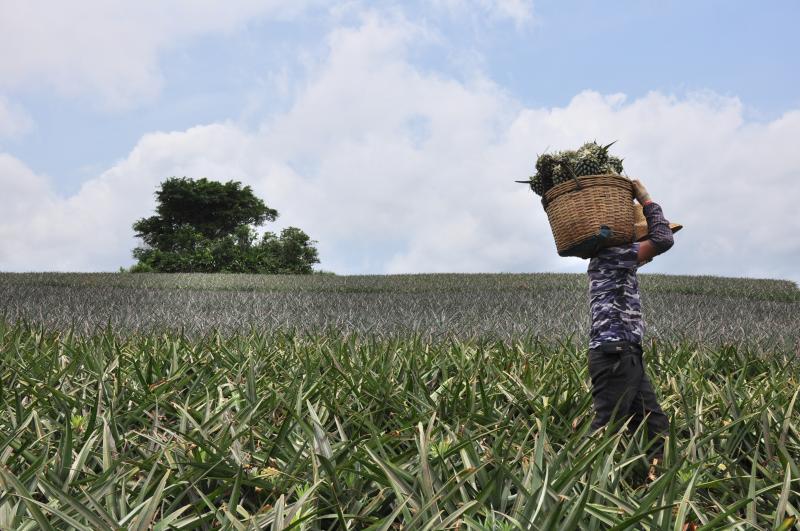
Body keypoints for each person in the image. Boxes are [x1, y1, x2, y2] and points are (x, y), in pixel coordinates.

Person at [586, 179, 676, 475]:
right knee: (605, 428)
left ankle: (657, 483)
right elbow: (663, 240)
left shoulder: (617, 260)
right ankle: (571, 489)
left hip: (626, 352)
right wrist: (647, 199)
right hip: (615, 353)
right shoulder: (613, 255)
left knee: (655, 424)